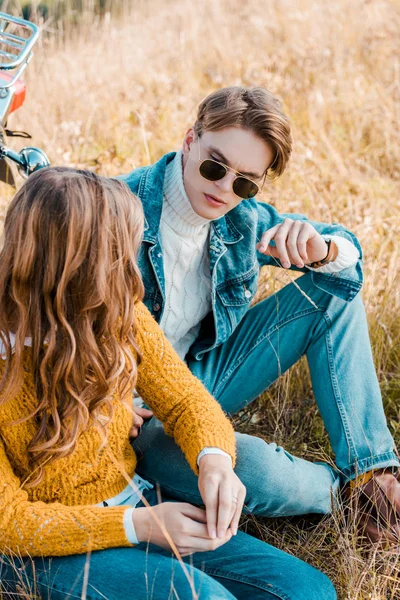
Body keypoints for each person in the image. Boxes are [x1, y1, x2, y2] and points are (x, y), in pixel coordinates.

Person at [0, 167, 337, 600]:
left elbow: (183, 398)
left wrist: (213, 459)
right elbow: (9, 522)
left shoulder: (117, 310)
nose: (131, 261)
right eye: (121, 249)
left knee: (307, 590)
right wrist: (140, 526)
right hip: (42, 548)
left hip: (132, 499)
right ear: (78, 264)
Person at [121, 86, 400, 544]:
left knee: (331, 291)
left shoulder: (242, 218)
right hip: (137, 412)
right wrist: (108, 402)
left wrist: (322, 248)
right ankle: (347, 497)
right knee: (256, 470)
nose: (224, 188)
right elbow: (46, 320)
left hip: (200, 376)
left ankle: (372, 477)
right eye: (215, 164)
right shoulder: (119, 209)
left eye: (245, 182)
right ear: (189, 139)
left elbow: (348, 263)